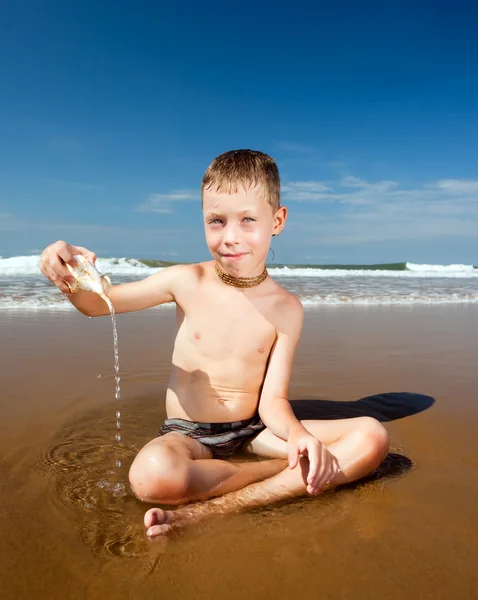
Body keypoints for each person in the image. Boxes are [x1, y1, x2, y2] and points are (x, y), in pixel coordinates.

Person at [40, 149, 389, 537]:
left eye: (248, 220)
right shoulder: (186, 280)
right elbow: (98, 304)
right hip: (188, 435)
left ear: (278, 220)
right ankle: (277, 473)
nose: (230, 237)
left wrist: (299, 436)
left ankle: (223, 506)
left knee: (371, 436)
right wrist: (66, 272)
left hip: (255, 431)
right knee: (151, 477)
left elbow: (273, 401)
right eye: (216, 221)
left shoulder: (287, 308)